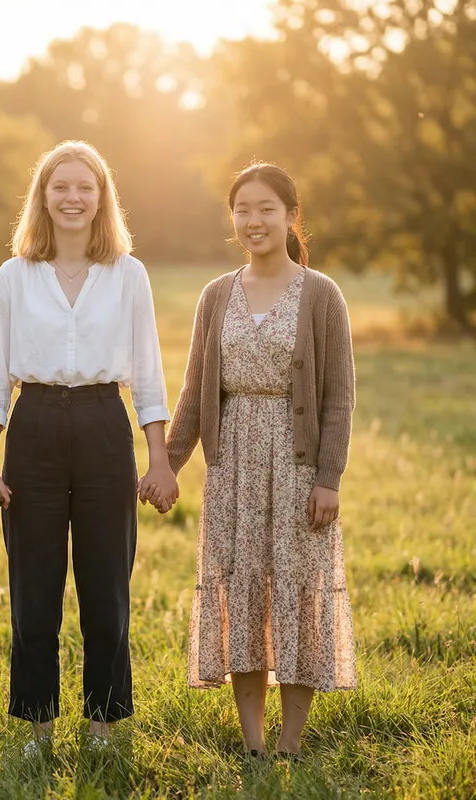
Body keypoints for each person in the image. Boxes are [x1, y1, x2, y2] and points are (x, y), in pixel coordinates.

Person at [0, 140, 178, 753]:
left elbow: (147, 372)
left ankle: (102, 726)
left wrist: (159, 459)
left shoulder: (128, 273)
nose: (72, 197)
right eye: (60, 186)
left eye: (85, 187)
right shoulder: (15, 275)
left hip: (102, 426)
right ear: (42, 197)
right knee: (34, 590)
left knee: (106, 586)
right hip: (32, 426)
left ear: (101, 198)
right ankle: (38, 727)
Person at [159, 163, 357, 759]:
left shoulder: (321, 294)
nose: (253, 220)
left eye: (266, 208)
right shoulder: (216, 295)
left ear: (291, 215)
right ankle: (253, 744)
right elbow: (196, 389)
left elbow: (340, 394)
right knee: (241, 593)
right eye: (242, 209)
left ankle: (291, 743)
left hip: (298, 469)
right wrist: (167, 461)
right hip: (233, 468)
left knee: (297, 593)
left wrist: (328, 478)